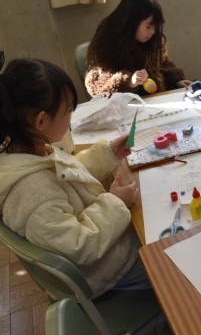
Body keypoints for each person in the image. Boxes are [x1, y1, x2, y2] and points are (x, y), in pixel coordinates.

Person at [0, 57, 149, 297]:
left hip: (109, 249)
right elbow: (79, 245)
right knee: (170, 264)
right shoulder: (31, 195)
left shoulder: (30, 150)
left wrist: (108, 154)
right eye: (68, 110)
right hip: (107, 273)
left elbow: (69, 174)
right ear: (41, 120)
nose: (71, 116)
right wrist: (116, 202)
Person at [84, 0, 191, 97]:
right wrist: (128, 82)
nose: (153, 32)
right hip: (124, 104)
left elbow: (163, 65)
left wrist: (176, 81)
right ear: (131, 23)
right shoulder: (107, 40)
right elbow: (95, 84)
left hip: (153, 101)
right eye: (148, 27)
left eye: (155, 26)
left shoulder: (152, 39)